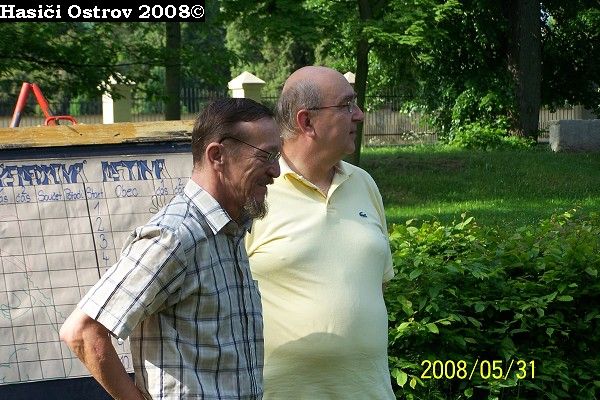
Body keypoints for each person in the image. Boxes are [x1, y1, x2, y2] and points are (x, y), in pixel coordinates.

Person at [60, 98, 282, 400]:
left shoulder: (228, 231)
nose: (276, 171)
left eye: (277, 155)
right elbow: (82, 331)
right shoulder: (175, 236)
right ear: (217, 156)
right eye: (266, 155)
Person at [245, 66, 395, 399]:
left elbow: (377, 285)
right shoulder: (255, 191)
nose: (359, 114)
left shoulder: (364, 184)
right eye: (346, 105)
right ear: (307, 121)